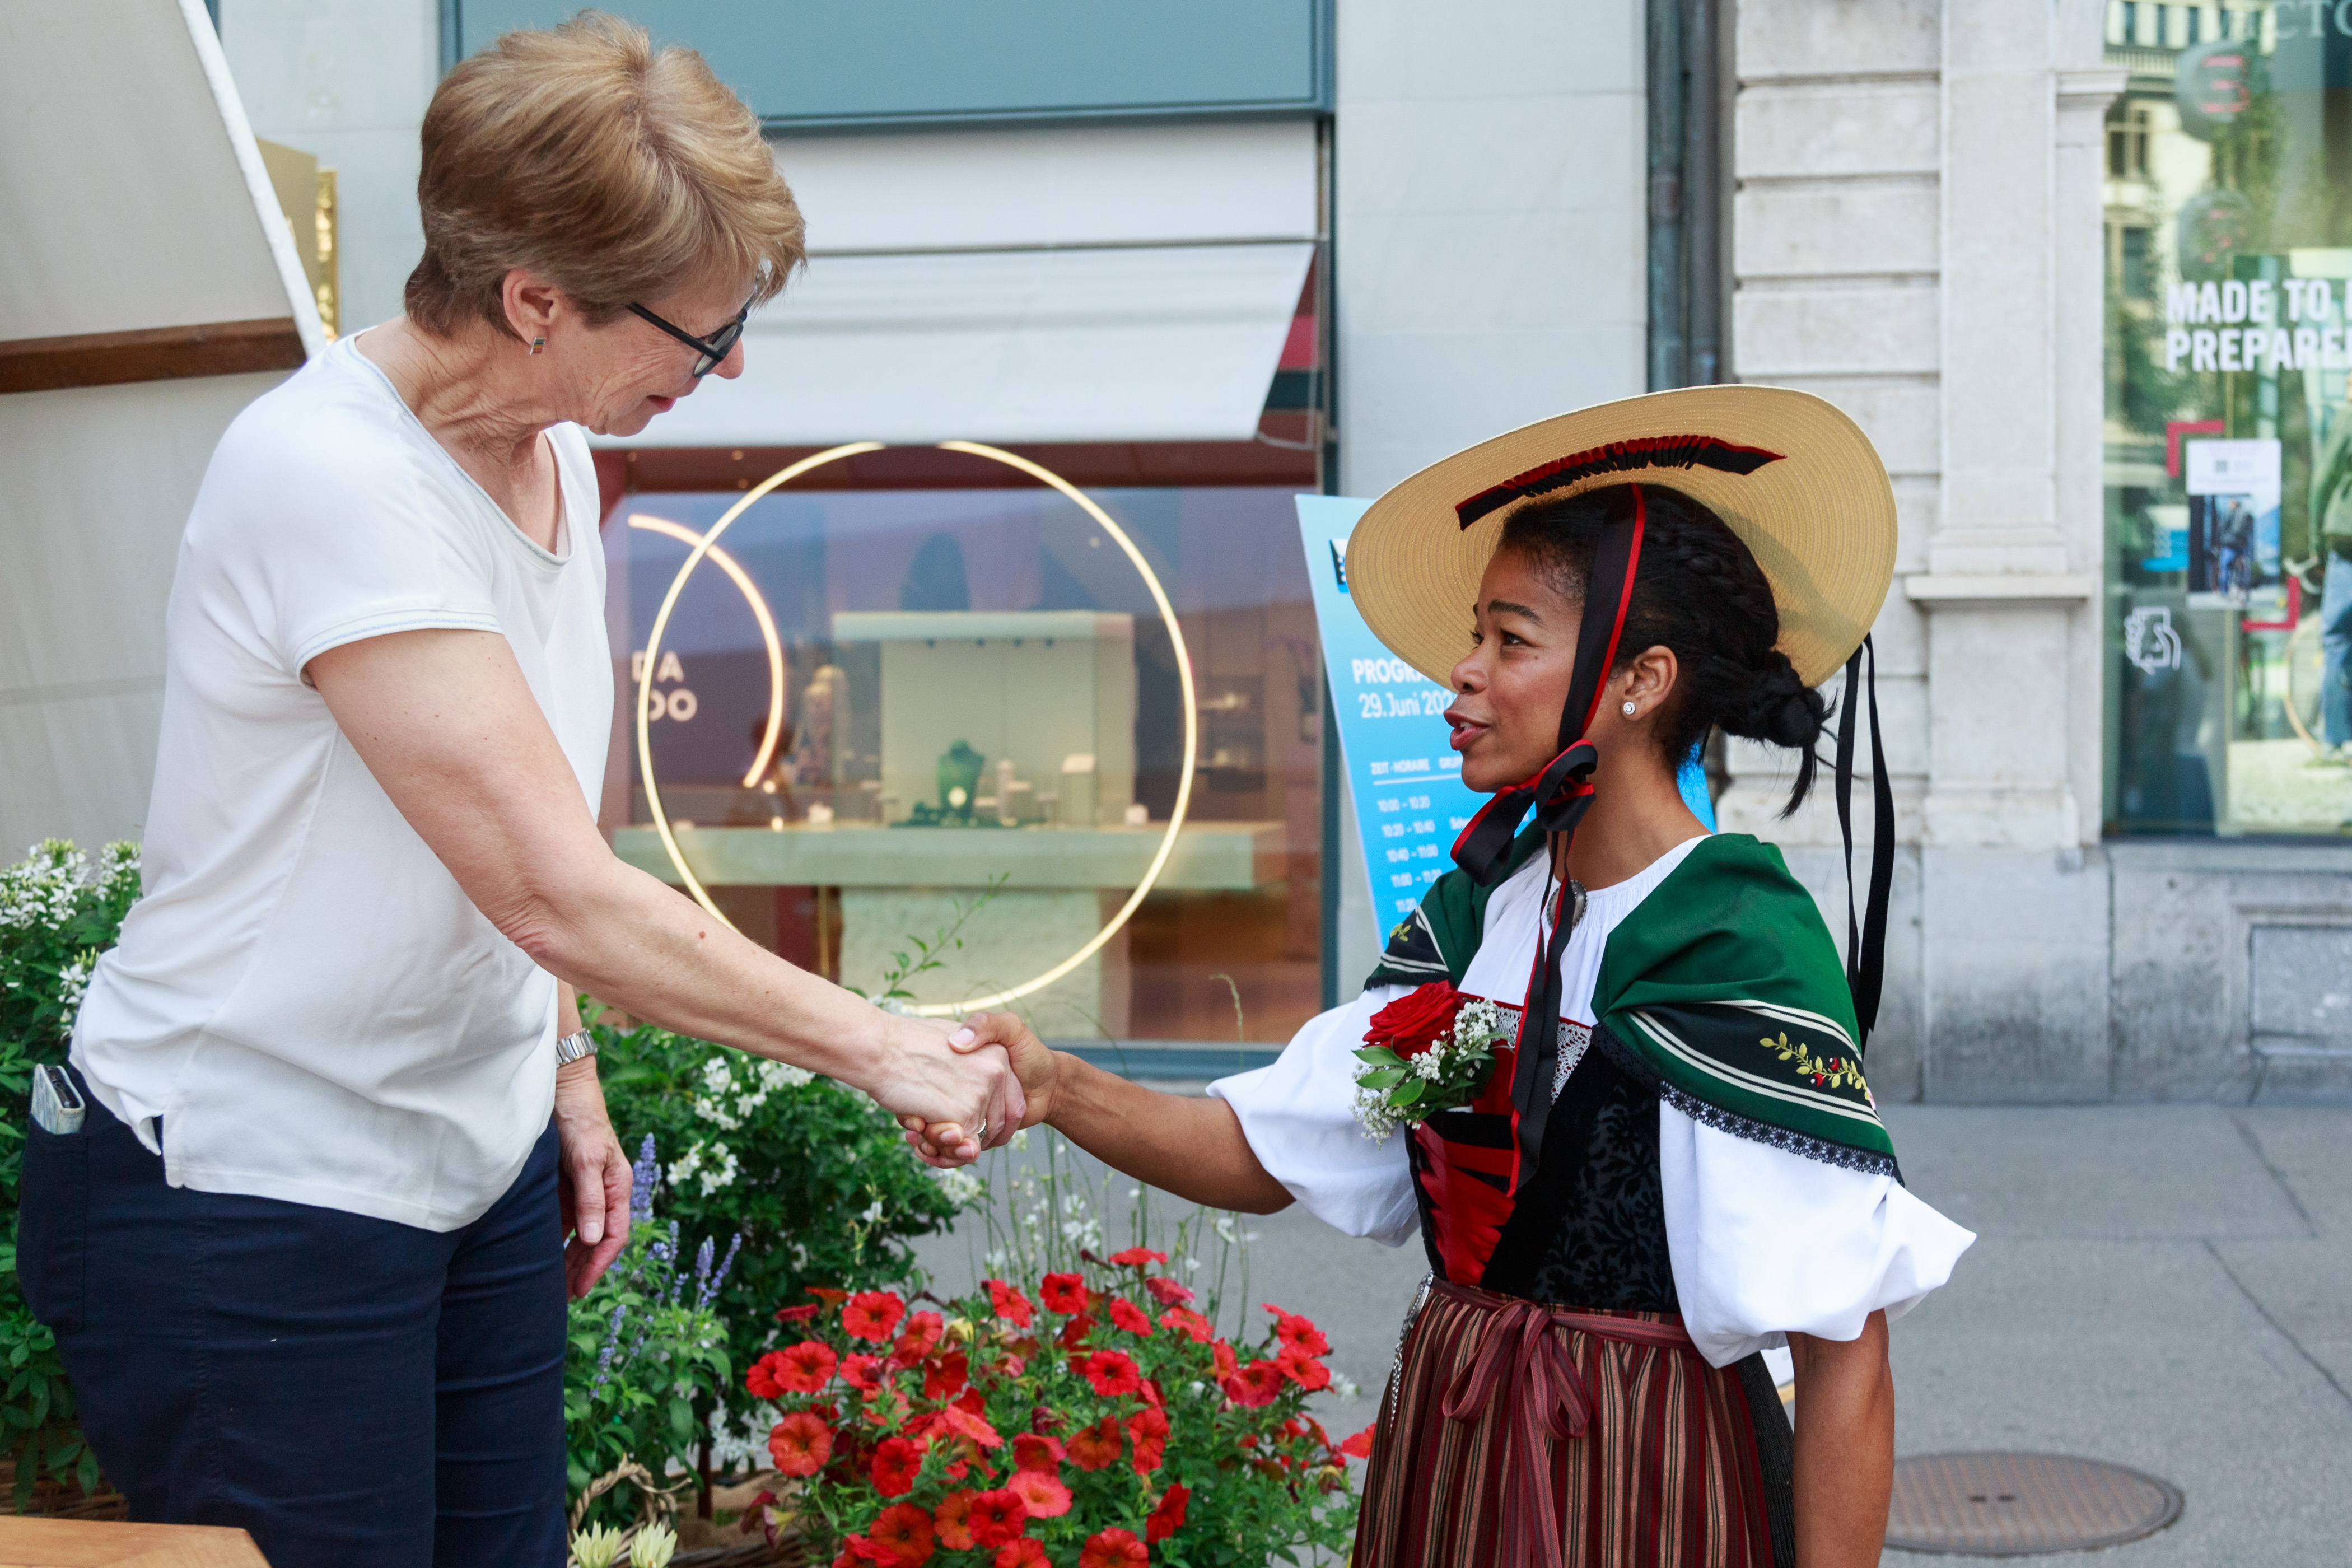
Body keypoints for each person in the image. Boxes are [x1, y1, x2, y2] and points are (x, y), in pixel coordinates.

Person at [20, 17, 1018, 1568]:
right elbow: (553, 883)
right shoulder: (330, 479)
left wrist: (559, 1070)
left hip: (462, 1165)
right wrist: (884, 1049)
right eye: (700, 336)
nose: (731, 365)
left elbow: (517, 831)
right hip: (246, 1183)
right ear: (535, 299)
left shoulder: (559, 458)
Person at [920, 388, 1974, 1567]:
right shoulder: (1486, 912)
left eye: (1509, 640)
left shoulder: (1732, 942)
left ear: (1642, 680)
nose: (1458, 678)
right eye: (1477, 635)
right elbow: (1278, 1149)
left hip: (1651, 1478)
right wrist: (1058, 1084)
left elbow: (1845, 1355)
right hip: (1458, 1456)